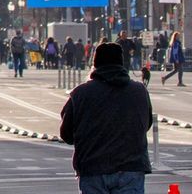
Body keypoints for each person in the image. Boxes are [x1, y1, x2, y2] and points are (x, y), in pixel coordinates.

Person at [60, 42, 155, 194]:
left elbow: (66, 134)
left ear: (95, 64)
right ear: (121, 63)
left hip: (93, 168)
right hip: (131, 167)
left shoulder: (80, 94)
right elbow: (146, 123)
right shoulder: (139, 91)